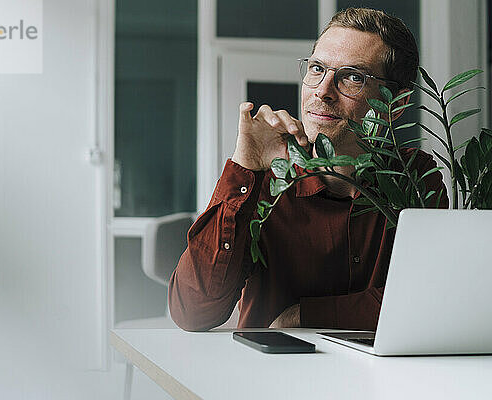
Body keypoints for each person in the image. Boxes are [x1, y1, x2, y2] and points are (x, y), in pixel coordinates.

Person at [168, 8, 448, 332]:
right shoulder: (264, 179)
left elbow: (427, 300)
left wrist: (303, 316)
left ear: (395, 105)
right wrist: (244, 166)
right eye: (317, 69)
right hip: (271, 376)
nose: (322, 91)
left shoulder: (415, 179)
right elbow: (192, 311)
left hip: (384, 378)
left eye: (352, 77)